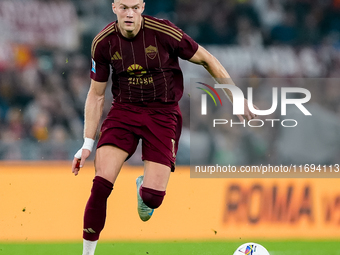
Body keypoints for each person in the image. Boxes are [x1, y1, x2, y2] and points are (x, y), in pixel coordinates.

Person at [71, 0, 257, 254]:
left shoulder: (164, 32)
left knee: (151, 199)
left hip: (162, 114)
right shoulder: (103, 42)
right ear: (114, 7)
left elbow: (206, 58)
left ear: (143, 8)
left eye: (135, 7)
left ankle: (143, 187)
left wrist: (235, 95)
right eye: (124, 7)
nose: (129, 13)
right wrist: (87, 144)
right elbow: (96, 95)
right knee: (101, 184)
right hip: (124, 112)